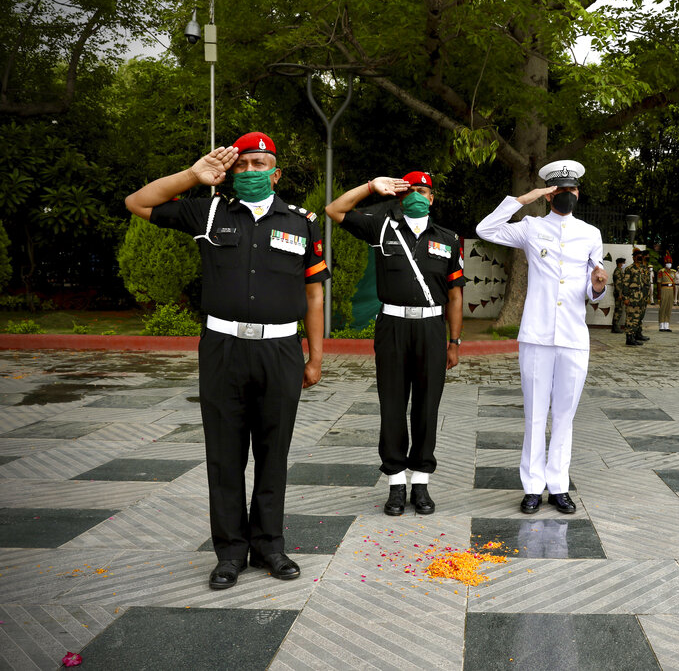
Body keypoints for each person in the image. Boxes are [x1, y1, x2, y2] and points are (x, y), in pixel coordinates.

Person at [124, 133, 331, 590]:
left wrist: (315, 357)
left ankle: (270, 546)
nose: (252, 171)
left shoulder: (301, 223)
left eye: (261, 164)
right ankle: (230, 552)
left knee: (274, 452)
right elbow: (137, 202)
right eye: (244, 165)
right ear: (230, 172)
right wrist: (192, 176)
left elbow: (314, 294)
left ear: (276, 173)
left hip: (280, 351)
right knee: (224, 454)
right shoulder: (209, 210)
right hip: (222, 350)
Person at [324, 171, 464, 517]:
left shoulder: (449, 238)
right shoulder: (382, 226)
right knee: (392, 402)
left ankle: (421, 482)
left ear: (432, 198)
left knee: (427, 405)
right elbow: (334, 210)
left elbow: (456, 295)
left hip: (432, 325)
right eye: (412, 190)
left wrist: (455, 341)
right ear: (402, 196)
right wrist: (371, 186)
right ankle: (396, 482)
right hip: (393, 325)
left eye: (424, 191)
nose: (418, 195)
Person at [476, 159, 607, 514]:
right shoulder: (531, 227)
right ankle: (533, 486)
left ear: (578, 193)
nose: (568, 196)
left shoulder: (590, 234)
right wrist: (524, 198)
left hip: (573, 335)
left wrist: (597, 288)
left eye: (572, 190)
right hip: (536, 334)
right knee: (535, 414)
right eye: (560, 191)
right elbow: (486, 229)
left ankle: (559, 486)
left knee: (565, 414)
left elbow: (590, 285)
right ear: (551, 196)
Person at [622, 248, 648, 346]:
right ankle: (629, 338)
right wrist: (625, 298)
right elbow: (625, 284)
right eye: (638, 256)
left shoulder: (641, 269)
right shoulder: (629, 269)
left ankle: (633, 336)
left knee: (637, 318)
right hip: (632, 297)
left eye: (641, 256)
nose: (640, 258)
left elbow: (644, 283)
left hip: (640, 297)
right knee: (630, 318)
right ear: (634, 257)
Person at [611, 257, 627, 333]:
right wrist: (620, 294)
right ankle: (615, 327)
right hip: (618, 294)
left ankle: (615, 326)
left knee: (619, 310)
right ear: (620, 263)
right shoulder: (617, 272)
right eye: (623, 263)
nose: (624, 264)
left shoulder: (620, 271)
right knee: (618, 310)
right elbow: (618, 284)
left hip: (620, 293)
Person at [657, 262, 675, 331]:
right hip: (664, 289)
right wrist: (659, 293)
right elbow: (659, 282)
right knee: (663, 307)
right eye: (668, 263)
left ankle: (667, 325)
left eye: (670, 263)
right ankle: (661, 325)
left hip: (671, 290)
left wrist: (674, 293)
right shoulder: (661, 271)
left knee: (669, 307)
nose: (669, 264)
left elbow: (674, 283)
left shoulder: (673, 272)